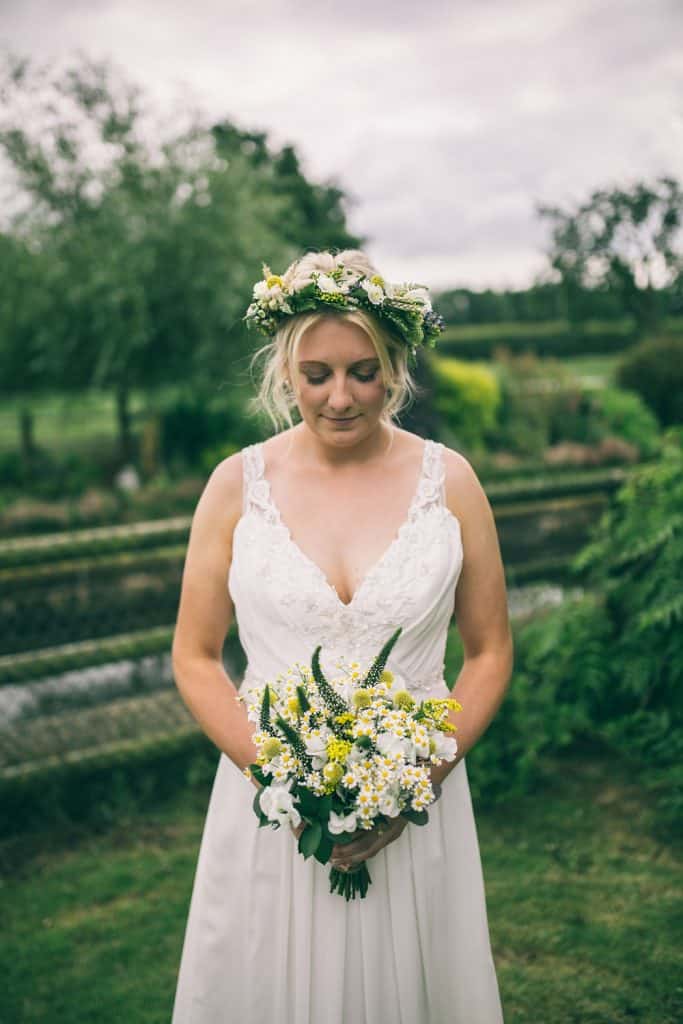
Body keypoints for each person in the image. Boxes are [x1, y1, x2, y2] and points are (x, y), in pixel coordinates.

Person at [171, 249, 512, 1022]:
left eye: (363, 370)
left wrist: (420, 777)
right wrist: (281, 779)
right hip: (271, 808)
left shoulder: (450, 480)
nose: (339, 397)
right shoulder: (235, 485)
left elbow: (489, 650)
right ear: (284, 371)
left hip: (418, 800)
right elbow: (194, 657)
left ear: (394, 367)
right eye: (316, 373)